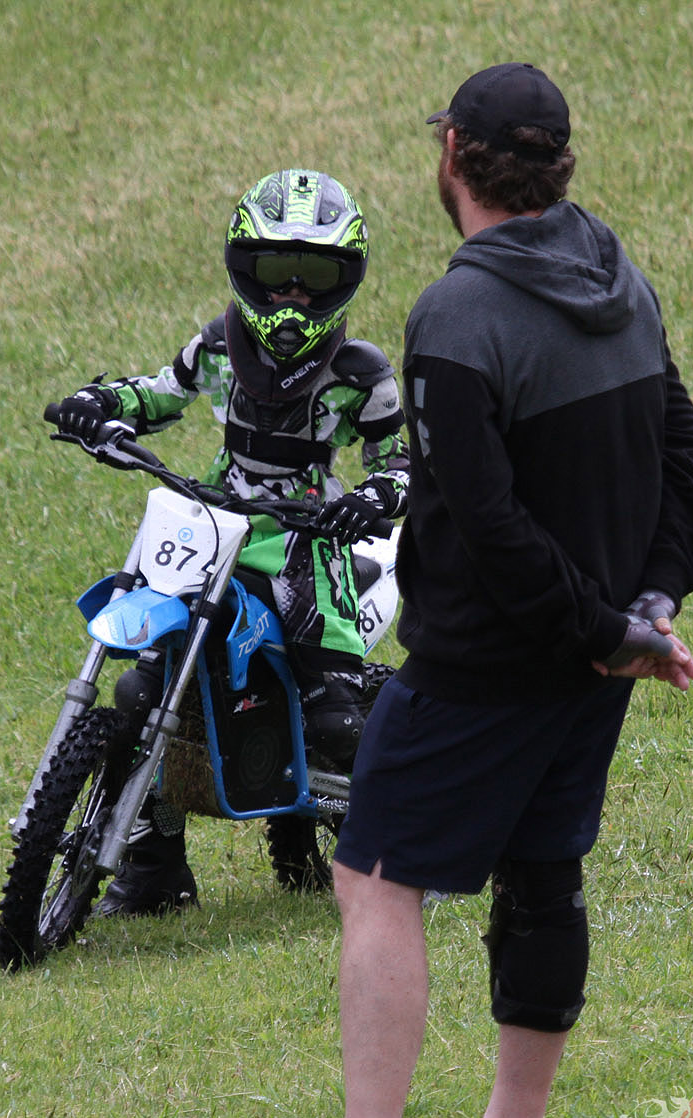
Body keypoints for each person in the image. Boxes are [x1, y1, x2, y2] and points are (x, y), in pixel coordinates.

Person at [231, 63, 693, 1118]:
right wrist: (639, 613)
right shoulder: (619, 272)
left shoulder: (458, 318)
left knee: (376, 876)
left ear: (453, 153)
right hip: (593, 662)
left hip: (487, 663)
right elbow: (688, 467)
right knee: (542, 866)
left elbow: (488, 526)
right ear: (560, 159)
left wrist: (608, 628)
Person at [49, 169, 410, 918]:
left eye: (315, 277)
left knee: (334, 713)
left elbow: (404, 460)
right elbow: (159, 392)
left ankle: (408, 852)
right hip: (211, 522)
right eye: (278, 273)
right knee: (145, 687)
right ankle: (153, 870)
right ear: (247, 269)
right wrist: (98, 404)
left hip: (307, 537)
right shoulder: (217, 346)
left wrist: (375, 496)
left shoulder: (362, 373)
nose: (293, 297)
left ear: (346, 280)